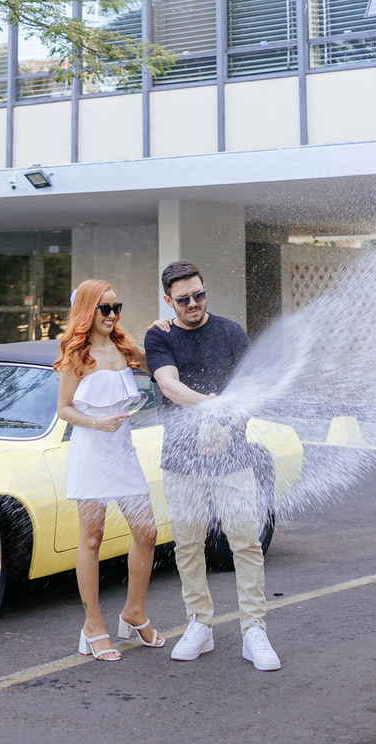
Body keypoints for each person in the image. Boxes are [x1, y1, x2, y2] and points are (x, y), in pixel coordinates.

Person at [143, 260, 281, 673]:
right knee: (187, 544)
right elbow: (169, 385)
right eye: (183, 299)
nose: (193, 304)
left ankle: (253, 629)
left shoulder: (232, 333)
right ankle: (199, 624)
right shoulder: (159, 336)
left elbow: (250, 391)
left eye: (198, 295)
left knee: (246, 543)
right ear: (169, 301)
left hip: (232, 456)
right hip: (180, 459)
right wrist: (213, 409)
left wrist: (228, 424)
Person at [54, 279, 165, 663]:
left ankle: (134, 612)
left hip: (122, 451)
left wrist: (160, 333)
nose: (112, 315)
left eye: (117, 307)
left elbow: (158, 363)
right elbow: (64, 409)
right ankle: (93, 626)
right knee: (91, 539)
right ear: (88, 310)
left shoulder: (123, 346)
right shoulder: (76, 355)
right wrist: (95, 423)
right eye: (105, 308)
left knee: (147, 531)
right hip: (90, 449)